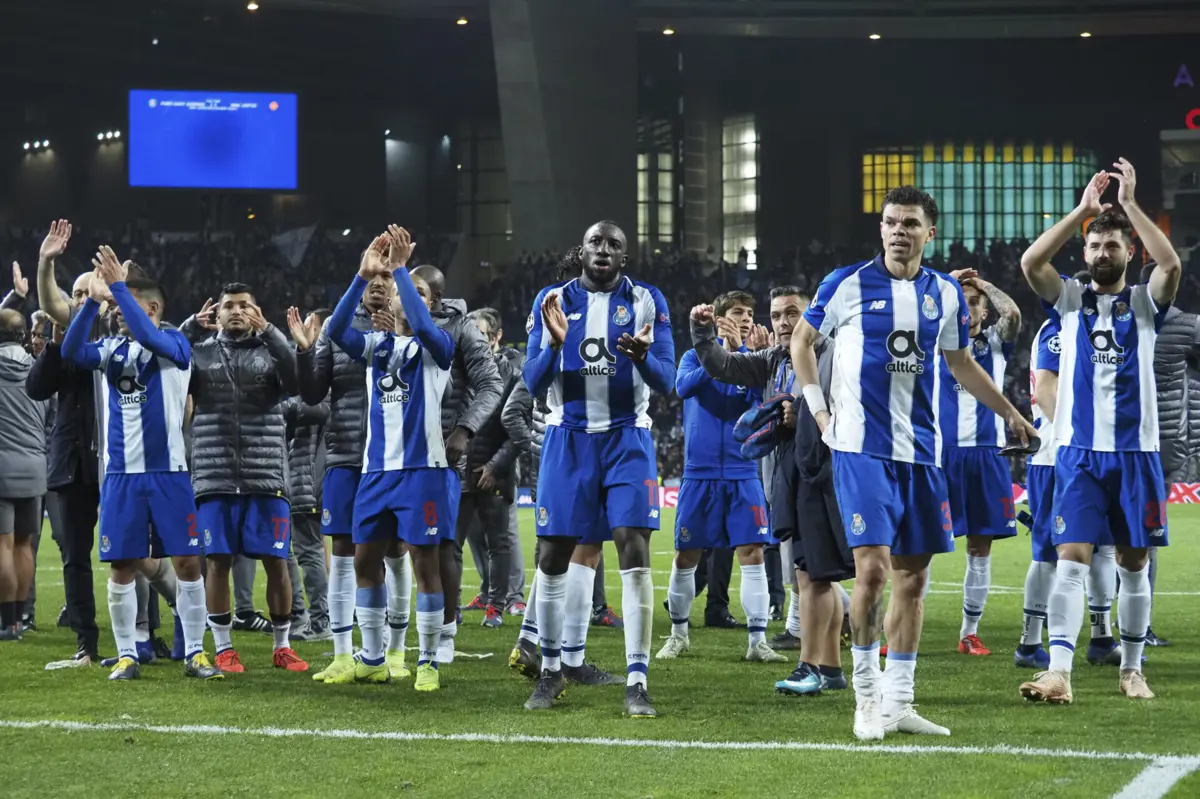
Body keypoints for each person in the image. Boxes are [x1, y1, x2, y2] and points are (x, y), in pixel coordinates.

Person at [791, 186, 1036, 740]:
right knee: (872, 572)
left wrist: (1013, 414)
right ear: (881, 230)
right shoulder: (846, 284)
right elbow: (802, 343)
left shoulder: (946, 293)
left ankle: (900, 703)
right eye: (890, 222)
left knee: (913, 579)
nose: (898, 231)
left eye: (910, 223)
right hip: (860, 449)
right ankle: (865, 697)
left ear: (930, 232)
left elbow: (962, 364)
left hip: (923, 453)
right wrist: (820, 410)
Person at [1017, 161, 1179, 704]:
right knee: (1071, 559)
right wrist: (1083, 212)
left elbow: (1172, 263)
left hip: (1136, 455)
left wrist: (1130, 205)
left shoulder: (1145, 306)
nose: (1102, 253)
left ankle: (1132, 669)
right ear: (1084, 256)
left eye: (1112, 246)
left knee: (1134, 563)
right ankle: (1058, 671)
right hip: (1079, 457)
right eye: (1094, 247)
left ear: (1129, 253)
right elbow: (1031, 261)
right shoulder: (1067, 302)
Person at [522, 220, 675, 718]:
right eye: (595, 242)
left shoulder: (648, 300)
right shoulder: (553, 299)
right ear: (582, 250)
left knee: (634, 547)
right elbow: (531, 379)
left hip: (628, 437)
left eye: (614, 244)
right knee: (552, 555)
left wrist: (645, 358)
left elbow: (667, 379)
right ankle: (550, 672)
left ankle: (636, 680)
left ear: (624, 257)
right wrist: (552, 343)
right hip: (567, 438)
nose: (604, 250)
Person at [59, 247, 219, 681]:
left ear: (150, 307)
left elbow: (151, 339)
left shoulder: (175, 344)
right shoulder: (111, 350)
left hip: (168, 473)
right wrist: (93, 300)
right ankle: (128, 653)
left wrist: (115, 287)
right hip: (121, 476)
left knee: (187, 562)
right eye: (113, 306)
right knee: (122, 564)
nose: (116, 312)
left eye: (123, 303)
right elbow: (71, 352)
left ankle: (196, 654)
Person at [326, 226, 455, 692]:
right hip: (376, 473)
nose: (402, 292)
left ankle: (427, 661)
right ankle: (374, 657)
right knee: (365, 562)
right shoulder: (377, 348)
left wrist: (400, 270)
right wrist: (362, 277)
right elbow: (335, 330)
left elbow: (421, 325)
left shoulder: (437, 346)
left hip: (422, 472)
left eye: (414, 291)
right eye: (403, 288)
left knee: (425, 564)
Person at [297, 256, 414, 683]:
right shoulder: (338, 329)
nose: (379, 284)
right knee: (344, 553)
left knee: (397, 552)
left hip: (398, 459)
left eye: (387, 276)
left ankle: (396, 652)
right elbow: (311, 393)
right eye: (372, 277)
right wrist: (305, 352)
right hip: (347, 454)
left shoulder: (412, 328)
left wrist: (397, 336)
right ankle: (345, 654)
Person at [181, 281, 307, 673]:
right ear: (216, 315)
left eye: (244, 305)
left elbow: (299, 382)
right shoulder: (197, 355)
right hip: (214, 474)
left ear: (256, 312)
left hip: (265, 472)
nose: (236, 311)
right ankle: (223, 648)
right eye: (228, 306)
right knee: (217, 561)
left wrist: (272, 332)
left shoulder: (272, 351)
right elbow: (166, 366)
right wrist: (187, 329)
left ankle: (282, 646)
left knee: (277, 561)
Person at [658, 290, 785, 665]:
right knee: (686, 556)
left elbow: (770, 403)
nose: (746, 319)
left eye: (749, 313)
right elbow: (682, 388)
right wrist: (718, 353)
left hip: (744, 472)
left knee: (753, 553)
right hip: (700, 474)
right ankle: (678, 634)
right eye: (736, 313)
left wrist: (748, 356)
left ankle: (757, 641)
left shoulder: (755, 362)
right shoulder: (691, 357)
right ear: (718, 319)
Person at [1014, 298, 1120, 671]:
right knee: (1047, 554)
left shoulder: (1090, 332)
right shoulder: (1058, 331)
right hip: (1057, 458)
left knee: (1104, 548)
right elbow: (1044, 390)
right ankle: (1029, 643)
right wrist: (1079, 434)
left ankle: (1102, 638)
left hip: (1090, 458)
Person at [409, 264, 503, 663]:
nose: (406, 295)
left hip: (440, 453)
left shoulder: (462, 328)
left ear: (436, 297)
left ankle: (445, 633)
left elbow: (492, 383)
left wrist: (464, 430)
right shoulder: (388, 323)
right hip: (390, 454)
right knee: (387, 546)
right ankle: (392, 635)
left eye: (416, 290)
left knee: (443, 545)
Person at [936, 269, 1022, 656]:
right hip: (940, 456)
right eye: (961, 302)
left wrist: (982, 285)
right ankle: (899, 628)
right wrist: (945, 285)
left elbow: (1014, 315)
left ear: (984, 313)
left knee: (979, 546)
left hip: (988, 453)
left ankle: (970, 632)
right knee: (917, 546)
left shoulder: (995, 344)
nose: (968, 309)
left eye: (975, 304)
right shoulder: (933, 339)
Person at [459, 308, 521, 628]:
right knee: (452, 542)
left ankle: (496, 607)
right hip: (459, 470)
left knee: (499, 542)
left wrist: (495, 466)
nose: (474, 341)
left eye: (481, 335)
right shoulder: (459, 369)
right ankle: (448, 608)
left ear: (496, 337)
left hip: (493, 471)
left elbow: (517, 432)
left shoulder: (512, 374)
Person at [282, 311, 332, 640]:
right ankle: (307, 614)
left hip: (311, 475)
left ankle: (322, 620)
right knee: (298, 549)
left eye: (312, 324)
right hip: (301, 472)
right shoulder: (309, 368)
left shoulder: (326, 369)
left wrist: (279, 404)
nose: (304, 329)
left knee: (309, 549)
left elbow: (319, 407)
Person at [0, 309, 48, 640]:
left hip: (1, 467)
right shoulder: (37, 367)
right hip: (35, 466)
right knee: (23, 543)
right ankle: (19, 620)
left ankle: (4, 622)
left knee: (2, 544)